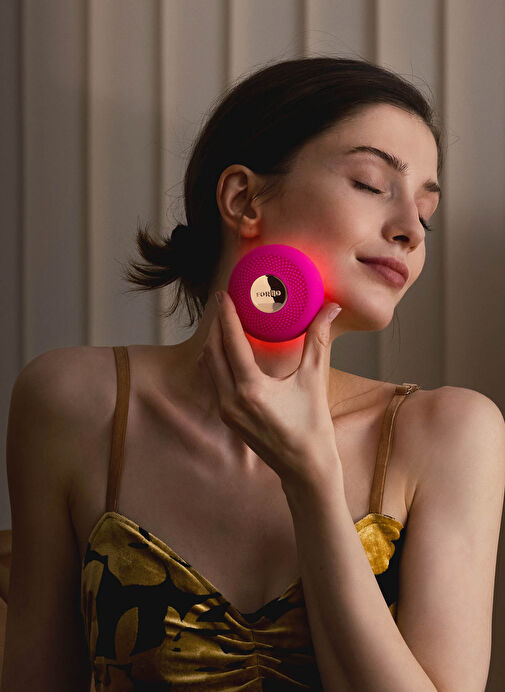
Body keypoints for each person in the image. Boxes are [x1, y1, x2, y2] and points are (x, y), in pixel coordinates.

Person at [2, 57, 504, 692]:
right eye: (372, 184)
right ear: (243, 198)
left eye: (426, 213)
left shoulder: (452, 433)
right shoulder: (75, 403)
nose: (410, 230)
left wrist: (312, 479)